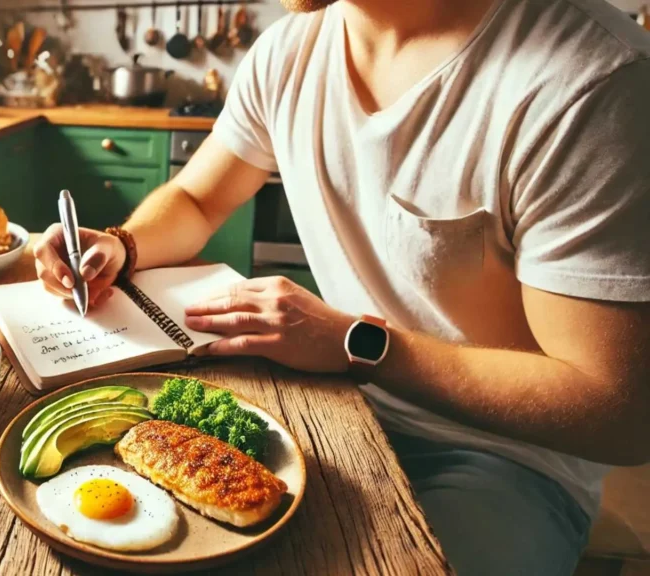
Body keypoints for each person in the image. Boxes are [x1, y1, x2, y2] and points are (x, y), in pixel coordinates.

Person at [33, 0, 650, 572]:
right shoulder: (289, 51)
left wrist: (358, 343)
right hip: (329, 404)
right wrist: (121, 244)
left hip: (505, 459)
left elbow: (618, 414)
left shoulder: (589, 82)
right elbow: (197, 199)